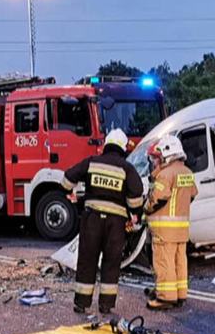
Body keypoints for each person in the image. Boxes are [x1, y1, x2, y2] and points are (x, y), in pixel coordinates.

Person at [61, 129, 144, 316]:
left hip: (91, 221)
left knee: (87, 260)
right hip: (115, 224)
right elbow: (136, 194)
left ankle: (81, 303)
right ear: (122, 147)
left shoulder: (92, 162)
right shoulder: (126, 168)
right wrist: (135, 212)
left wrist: (69, 192)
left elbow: (68, 178)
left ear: (106, 145)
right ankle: (106, 305)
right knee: (111, 262)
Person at [143, 135, 198, 310]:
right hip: (181, 229)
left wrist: (144, 209)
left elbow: (156, 199)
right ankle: (180, 294)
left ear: (167, 153)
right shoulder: (187, 173)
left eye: (156, 157)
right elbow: (192, 194)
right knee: (179, 261)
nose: (154, 161)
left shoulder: (166, 175)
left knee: (163, 261)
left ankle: (165, 297)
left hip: (164, 229)